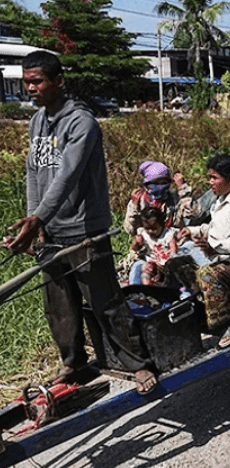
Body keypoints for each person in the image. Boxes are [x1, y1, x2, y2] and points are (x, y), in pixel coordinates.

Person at [7, 51, 157, 394]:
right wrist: (35, 221)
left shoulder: (81, 123)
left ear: (59, 81)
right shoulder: (37, 122)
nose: (30, 88)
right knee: (58, 305)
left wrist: (39, 217)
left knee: (105, 302)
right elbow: (35, 173)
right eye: (27, 81)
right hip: (49, 229)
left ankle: (137, 364)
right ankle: (73, 363)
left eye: (38, 81)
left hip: (84, 228)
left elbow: (67, 175)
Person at [174, 154, 230, 349]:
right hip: (223, 259)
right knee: (177, 265)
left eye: (215, 178)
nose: (210, 182)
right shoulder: (220, 200)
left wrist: (214, 248)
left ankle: (226, 323)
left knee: (208, 275)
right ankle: (201, 313)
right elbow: (215, 229)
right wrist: (192, 231)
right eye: (210, 177)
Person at [123, 160, 198, 235]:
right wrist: (134, 206)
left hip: (175, 240)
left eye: (164, 182)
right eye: (157, 182)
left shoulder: (175, 199)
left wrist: (184, 190)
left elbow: (194, 214)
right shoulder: (140, 201)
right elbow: (131, 230)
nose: (161, 186)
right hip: (149, 242)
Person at [130, 207, 178, 286]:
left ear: (162, 225)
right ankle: (137, 289)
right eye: (147, 228)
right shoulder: (143, 233)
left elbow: (173, 248)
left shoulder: (167, 234)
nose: (150, 231)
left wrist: (171, 261)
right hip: (151, 262)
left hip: (165, 265)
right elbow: (134, 248)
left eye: (153, 228)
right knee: (138, 266)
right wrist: (137, 244)